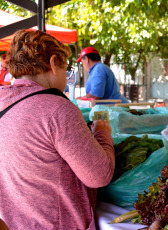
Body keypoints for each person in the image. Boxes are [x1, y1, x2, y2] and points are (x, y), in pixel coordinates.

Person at [0, 30, 115, 229]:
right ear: (53, 63)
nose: (67, 76)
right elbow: (99, 175)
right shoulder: (57, 109)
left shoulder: (3, 101)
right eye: (67, 69)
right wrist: (103, 133)